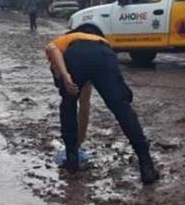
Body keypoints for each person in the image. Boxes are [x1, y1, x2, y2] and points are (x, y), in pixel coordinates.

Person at [45, 25, 160, 184]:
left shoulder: (63, 42)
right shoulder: (97, 41)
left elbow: (52, 49)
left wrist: (64, 76)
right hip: (105, 54)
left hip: (76, 58)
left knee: (68, 105)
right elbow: (84, 107)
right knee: (121, 108)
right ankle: (146, 165)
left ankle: (72, 161)